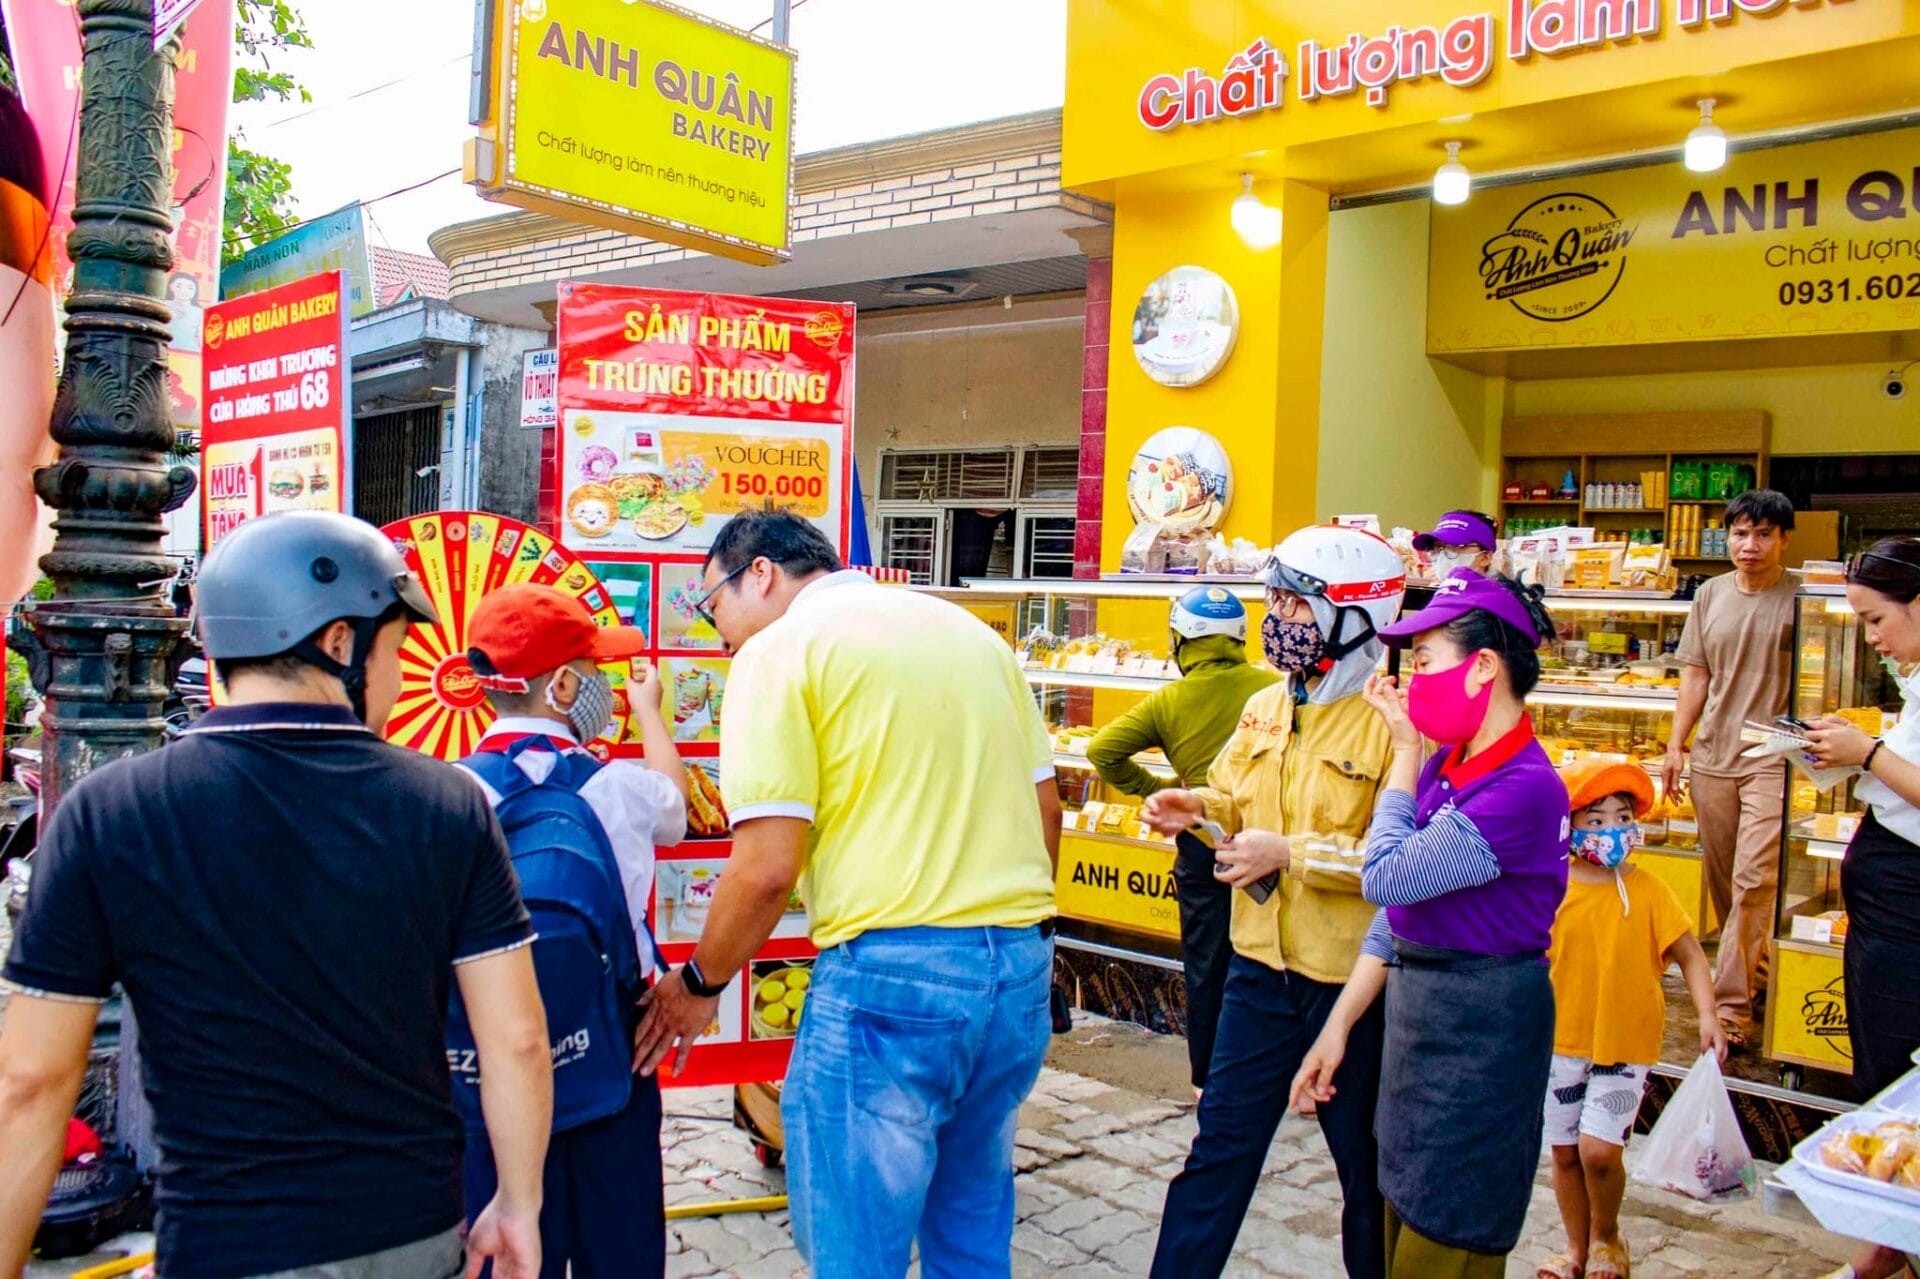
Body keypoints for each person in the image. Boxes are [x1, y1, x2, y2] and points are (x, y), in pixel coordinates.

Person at [0, 511, 553, 1279]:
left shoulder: (111, 811)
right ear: (339, 645)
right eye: (394, 652)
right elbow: (518, 1039)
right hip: (412, 1231)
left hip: (226, 1243)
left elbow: (30, 1081)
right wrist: (519, 1202)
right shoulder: (445, 805)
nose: (397, 682)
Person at [630, 511, 1060, 1279]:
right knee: (971, 1223)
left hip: (893, 980)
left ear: (758, 572)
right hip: (1018, 965)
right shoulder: (971, 636)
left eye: (711, 604)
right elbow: (1045, 809)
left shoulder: (779, 652)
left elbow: (765, 868)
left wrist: (698, 984)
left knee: (856, 1247)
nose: (715, 630)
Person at [1142, 524, 1407, 1279]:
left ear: (1359, 617)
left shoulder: (1396, 724)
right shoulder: (1264, 703)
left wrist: (1290, 853)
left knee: (1366, 1170)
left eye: (1296, 605)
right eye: (1276, 602)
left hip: (1348, 984)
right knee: (1218, 1149)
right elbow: (1234, 793)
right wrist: (1192, 805)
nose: (1277, 620)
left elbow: (1396, 865)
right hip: (1257, 971)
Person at [1295, 569, 1567, 1278]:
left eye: (1423, 662)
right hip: (1419, 1025)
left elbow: (1384, 874)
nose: (1412, 681)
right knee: (1401, 1205)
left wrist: (1404, 757)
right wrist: (1339, 1025)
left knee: (1452, 1229)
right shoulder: (1458, 761)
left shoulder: (1523, 788)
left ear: (1482, 667)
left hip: (1482, 1031)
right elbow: (1396, 914)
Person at [459, 583, 691, 1279]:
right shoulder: (618, 789)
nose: (607, 687)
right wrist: (650, 714)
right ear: (563, 684)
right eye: (595, 673)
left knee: (501, 1248)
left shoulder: (448, 791)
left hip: (482, 1057)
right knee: (620, 1248)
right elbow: (675, 804)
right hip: (615, 1044)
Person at [1535, 758, 1726, 1279]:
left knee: (1599, 1152)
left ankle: (1607, 1236)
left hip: (1625, 1043)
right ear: (1568, 826)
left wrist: (1708, 1015)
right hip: (1559, 1041)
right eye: (1595, 822)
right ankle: (1576, 1248)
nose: (1612, 832)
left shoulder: (1648, 890)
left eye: (1622, 818)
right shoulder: (1549, 887)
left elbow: (1690, 954)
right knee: (1565, 1153)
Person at [1085, 586, 1277, 1092]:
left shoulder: (1170, 699)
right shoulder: (1271, 688)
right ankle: (1277, 1070)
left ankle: (1207, 1078)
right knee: (1275, 954)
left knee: (1208, 959)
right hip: (1271, 839)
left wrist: (1167, 791)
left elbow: (1103, 752)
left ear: (1181, 640)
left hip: (1204, 840)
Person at [1805, 537, 1920, 1279]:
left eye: (1877, 620)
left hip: (1908, 917)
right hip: (1887, 910)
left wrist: (1868, 755)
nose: (1871, 637)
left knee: (1896, 1076)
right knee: (1885, 1073)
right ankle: (1890, 1240)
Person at [1661, 489, 1798, 1051]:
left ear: (1784, 539)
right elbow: (1695, 676)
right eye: (1740, 533)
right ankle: (1754, 974)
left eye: (1764, 534)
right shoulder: (1711, 594)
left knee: (1754, 878)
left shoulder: (1800, 594)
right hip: (1715, 754)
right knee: (1724, 880)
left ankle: (1733, 1008)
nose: (1750, 545)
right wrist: (1676, 745)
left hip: (1774, 757)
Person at [1414, 509, 1499, 579]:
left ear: (1485, 558)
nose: (1442, 557)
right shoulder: (1439, 595)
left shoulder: (1502, 597)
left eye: (1455, 546)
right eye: (1437, 547)